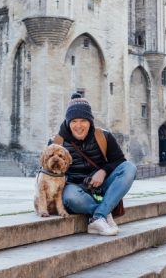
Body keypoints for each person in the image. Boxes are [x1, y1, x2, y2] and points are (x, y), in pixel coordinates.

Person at [53, 93, 136, 236]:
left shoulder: (103, 136)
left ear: (90, 121)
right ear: (68, 122)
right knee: (71, 197)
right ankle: (103, 213)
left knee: (129, 168)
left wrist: (103, 171)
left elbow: (119, 161)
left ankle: (98, 216)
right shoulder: (57, 142)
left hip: (101, 187)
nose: (78, 126)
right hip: (75, 189)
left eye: (83, 121)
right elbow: (48, 170)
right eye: (74, 121)